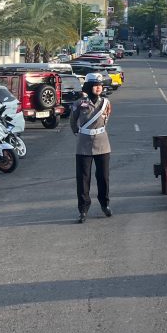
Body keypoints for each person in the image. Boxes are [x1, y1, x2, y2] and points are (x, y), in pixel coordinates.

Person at [70, 73, 112, 223]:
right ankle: (83, 209)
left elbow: (106, 118)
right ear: (88, 87)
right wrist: (81, 134)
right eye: (95, 85)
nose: (99, 87)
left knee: (103, 177)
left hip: (102, 144)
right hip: (83, 145)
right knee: (83, 179)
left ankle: (105, 204)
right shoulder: (78, 103)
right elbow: (73, 122)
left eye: (100, 84)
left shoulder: (106, 103)